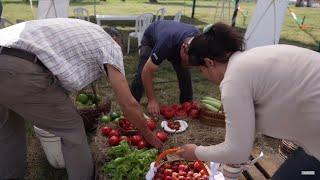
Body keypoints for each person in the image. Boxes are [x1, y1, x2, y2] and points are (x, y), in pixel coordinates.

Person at [0, 18, 162, 180]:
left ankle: (10, 175)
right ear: (116, 41)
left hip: (6, 47)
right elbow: (128, 105)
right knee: (72, 129)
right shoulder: (110, 45)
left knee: (7, 125)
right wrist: (149, 136)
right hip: (18, 67)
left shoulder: (85, 30)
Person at [176, 22, 320, 180]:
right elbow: (243, 139)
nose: (204, 75)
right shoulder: (249, 60)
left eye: (201, 70)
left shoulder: (233, 80)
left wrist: (196, 152)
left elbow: (237, 152)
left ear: (209, 63)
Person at [130, 20, 200, 117]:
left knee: (184, 72)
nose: (188, 65)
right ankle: (132, 104)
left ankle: (187, 103)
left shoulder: (198, 40)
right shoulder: (165, 43)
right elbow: (147, 71)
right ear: (183, 49)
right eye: (187, 61)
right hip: (151, 39)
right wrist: (152, 100)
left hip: (174, 40)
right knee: (142, 71)